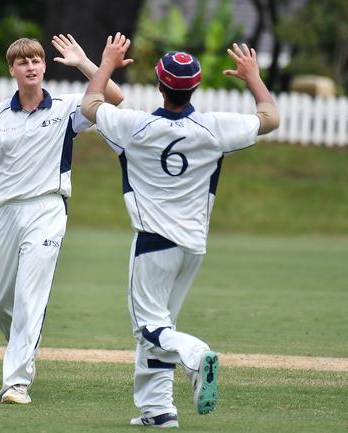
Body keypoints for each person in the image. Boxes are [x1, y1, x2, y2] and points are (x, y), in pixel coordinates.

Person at [81, 34, 279, 428]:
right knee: (159, 326)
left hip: (153, 243)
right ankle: (158, 411)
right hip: (193, 245)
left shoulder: (135, 126)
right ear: (195, 88)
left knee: (150, 327)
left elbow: (91, 105)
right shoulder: (214, 128)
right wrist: (253, 76)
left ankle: (195, 354)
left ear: (159, 85)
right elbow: (270, 118)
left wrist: (104, 63)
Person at [0, 35, 124, 404]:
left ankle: (16, 383)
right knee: (0, 302)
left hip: (47, 208)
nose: (31, 67)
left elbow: (114, 98)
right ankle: (26, 342)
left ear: (44, 66)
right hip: (3, 211)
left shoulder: (66, 108)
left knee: (30, 297)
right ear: (12, 70)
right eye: (22, 62)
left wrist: (84, 62)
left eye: (36, 60)